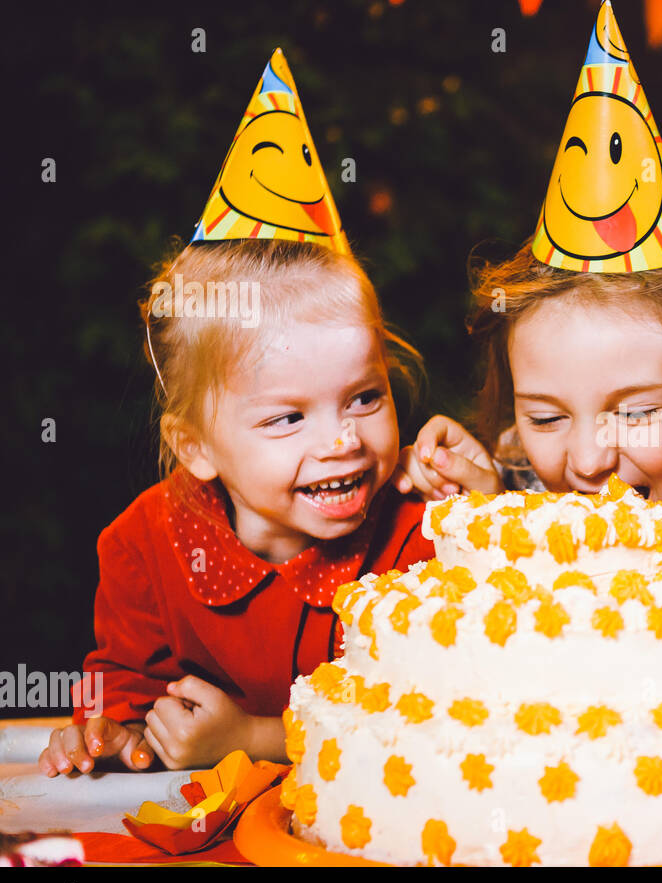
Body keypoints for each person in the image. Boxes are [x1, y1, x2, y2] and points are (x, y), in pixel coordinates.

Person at [39, 51, 438, 775]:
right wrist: (108, 731)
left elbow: (437, 720)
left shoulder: (422, 543)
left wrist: (253, 739)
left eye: (365, 397)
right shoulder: (144, 546)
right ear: (194, 446)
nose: (343, 440)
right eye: (288, 418)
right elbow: (127, 686)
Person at [397, 1, 662, 572]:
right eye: (545, 418)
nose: (588, 462)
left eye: (636, 413)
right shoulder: (509, 485)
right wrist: (487, 516)